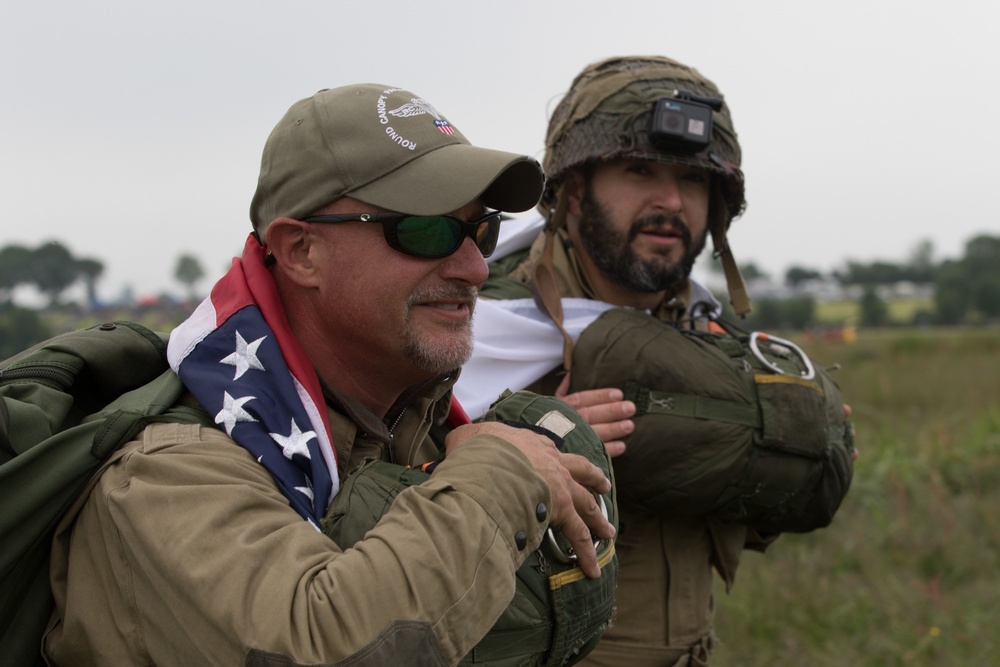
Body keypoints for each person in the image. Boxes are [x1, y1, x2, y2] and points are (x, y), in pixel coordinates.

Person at [41, 83, 615, 666]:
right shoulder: (166, 476)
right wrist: (503, 473)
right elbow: (323, 647)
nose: (473, 267)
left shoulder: (413, 430)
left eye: (480, 231)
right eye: (426, 230)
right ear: (300, 252)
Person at [454, 56, 774, 666]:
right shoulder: (471, 325)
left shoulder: (710, 333)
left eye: (695, 181)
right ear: (573, 191)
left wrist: (771, 435)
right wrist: (507, 446)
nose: (672, 201)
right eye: (639, 170)